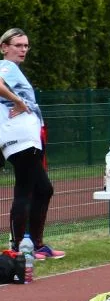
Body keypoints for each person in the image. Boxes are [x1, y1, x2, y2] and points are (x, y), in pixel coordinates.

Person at [0, 28, 63, 259]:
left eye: (26, 45)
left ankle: (35, 244)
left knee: (43, 189)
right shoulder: (6, 66)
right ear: (4, 47)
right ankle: (18, 248)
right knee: (25, 190)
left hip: (28, 137)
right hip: (18, 138)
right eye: (18, 45)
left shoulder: (14, 70)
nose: (23, 49)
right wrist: (17, 101)